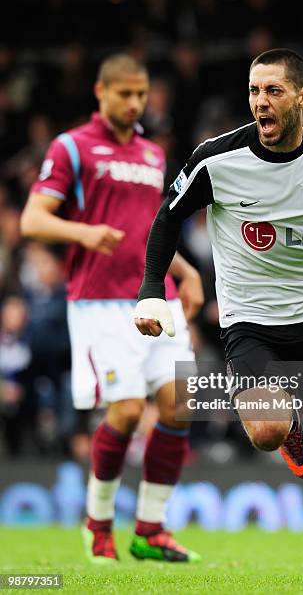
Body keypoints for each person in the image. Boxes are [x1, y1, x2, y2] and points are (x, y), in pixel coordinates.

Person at [134, 48, 303, 582]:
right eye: (254, 91)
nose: (260, 102)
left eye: (273, 91)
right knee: (268, 430)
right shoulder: (217, 159)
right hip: (251, 322)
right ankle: (290, 426)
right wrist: (151, 290)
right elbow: (166, 219)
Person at [20, 54, 204, 563]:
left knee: (178, 405)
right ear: (100, 92)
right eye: (124, 93)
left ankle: (150, 530)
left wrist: (185, 272)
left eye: (141, 94)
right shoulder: (72, 147)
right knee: (124, 413)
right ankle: (98, 524)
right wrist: (82, 232)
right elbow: (32, 220)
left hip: (154, 294)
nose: (134, 103)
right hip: (100, 304)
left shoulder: (151, 154)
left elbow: (153, 231)